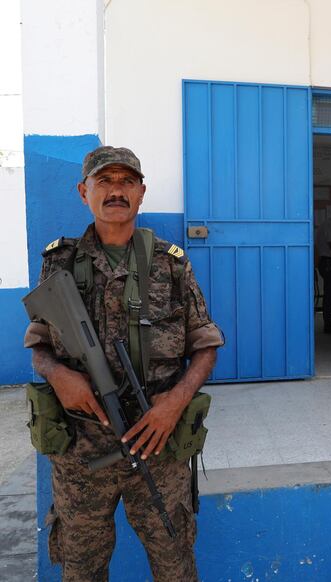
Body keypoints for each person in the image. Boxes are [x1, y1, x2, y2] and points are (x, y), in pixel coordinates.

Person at [23, 145, 224, 581]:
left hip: (159, 447)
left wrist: (175, 401)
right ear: (84, 191)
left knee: (175, 566)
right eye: (105, 181)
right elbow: (37, 344)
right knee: (82, 569)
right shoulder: (58, 263)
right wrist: (59, 376)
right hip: (82, 452)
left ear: (141, 192)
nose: (117, 190)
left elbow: (205, 343)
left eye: (127, 181)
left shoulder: (170, 264)